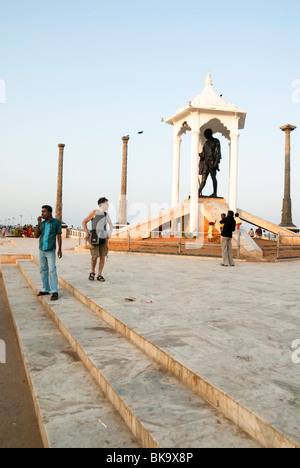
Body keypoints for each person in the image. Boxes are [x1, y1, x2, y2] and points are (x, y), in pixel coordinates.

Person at [82, 197, 113, 282]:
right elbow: (84, 222)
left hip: (103, 238)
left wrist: (109, 232)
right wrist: (86, 232)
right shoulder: (94, 212)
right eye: (107, 204)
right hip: (95, 237)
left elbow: (111, 224)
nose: (108, 205)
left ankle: (99, 274)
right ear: (102, 204)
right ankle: (92, 272)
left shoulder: (106, 215)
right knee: (95, 256)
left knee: (103, 256)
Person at [35, 205, 62, 301]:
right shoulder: (42, 224)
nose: (42, 213)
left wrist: (60, 249)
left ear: (49, 213)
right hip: (41, 249)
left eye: (44, 211)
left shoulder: (56, 222)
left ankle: (54, 291)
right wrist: (38, 223)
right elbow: (36, 235)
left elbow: (59, 235)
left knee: (52, 270)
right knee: (42, 269)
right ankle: (45, 288)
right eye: (42, 211)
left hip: (50, 249)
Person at [198, 129, 222, 198]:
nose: (205, 136)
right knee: (203, 178)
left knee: (213, 177)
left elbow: (218, 153)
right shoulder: (206, 143)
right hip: (206, 163)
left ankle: (215, 193)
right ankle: (198, 191)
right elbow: (203, 154)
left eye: (206, 134)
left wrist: (216, 163)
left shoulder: (216, 141)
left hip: (212, 163)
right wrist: (199, 154)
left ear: (210, 134)